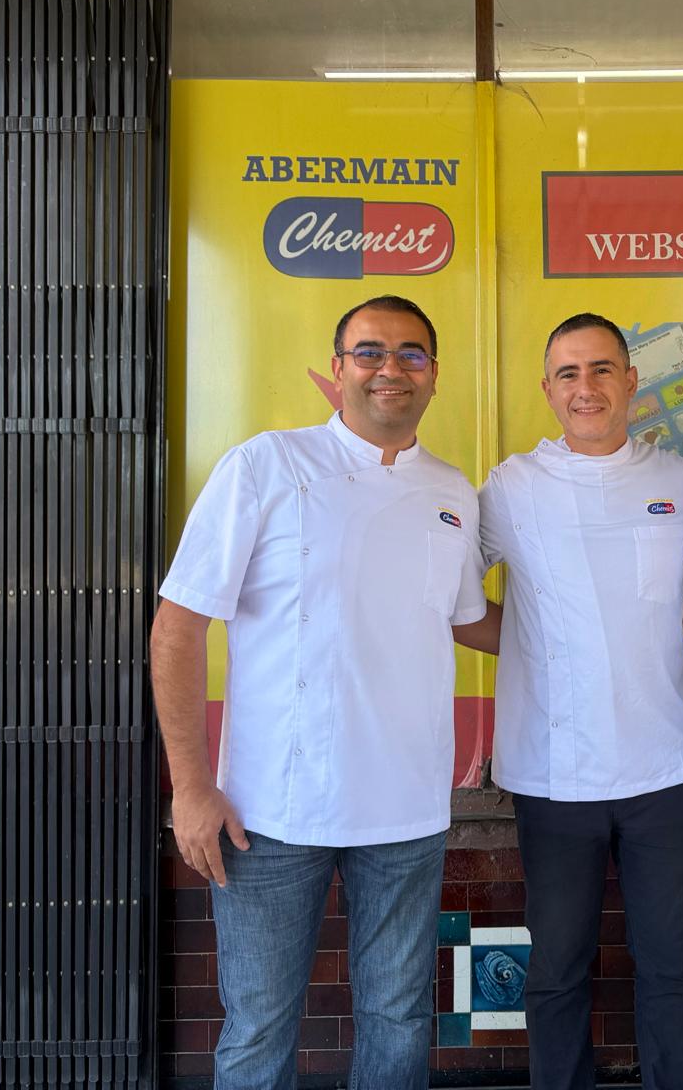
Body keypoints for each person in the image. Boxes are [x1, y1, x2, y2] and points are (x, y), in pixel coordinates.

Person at [149, 295, 495, 1090]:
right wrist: (191, 787)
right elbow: (177, 629)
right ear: (338, 369)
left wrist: (601, 627)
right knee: (258, 1030)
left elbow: (469, 621)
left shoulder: (452, 491)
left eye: (411, 354)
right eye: (369, 352)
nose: (390, 369)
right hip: (270, 814)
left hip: (406, 813)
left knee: (399, 1022)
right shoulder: (266, 465)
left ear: (434, 375)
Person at [477, 312, 683, 1090]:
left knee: (671, 969)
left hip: (664, 770)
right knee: (556, 971)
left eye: (603, 369)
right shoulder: (510, 487)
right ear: (547, 389)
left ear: (631, 381)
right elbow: (451, 601)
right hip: (553, 772)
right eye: (569, 373)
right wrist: (536, 642)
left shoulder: (679, 479)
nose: (587, 387)